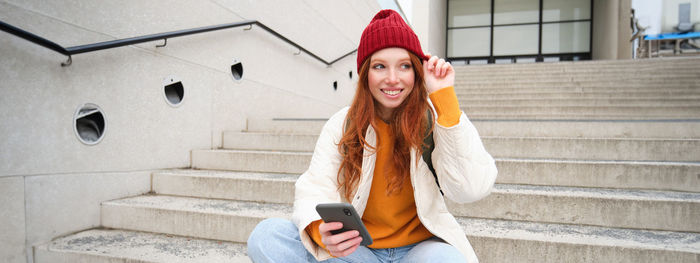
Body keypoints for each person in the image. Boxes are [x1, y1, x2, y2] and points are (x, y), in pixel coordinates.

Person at [247, 9, 497, 263]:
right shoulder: (343, 123)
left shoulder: (435, 118)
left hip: (420, 249)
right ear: (365, 73)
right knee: (266, 236)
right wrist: (320, 232)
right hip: (359, 250)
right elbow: (315, 186)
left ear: (416, 72)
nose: (392, 79)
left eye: (404, 66)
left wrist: (444, 98)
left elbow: (472, 188)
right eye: (380, 66)